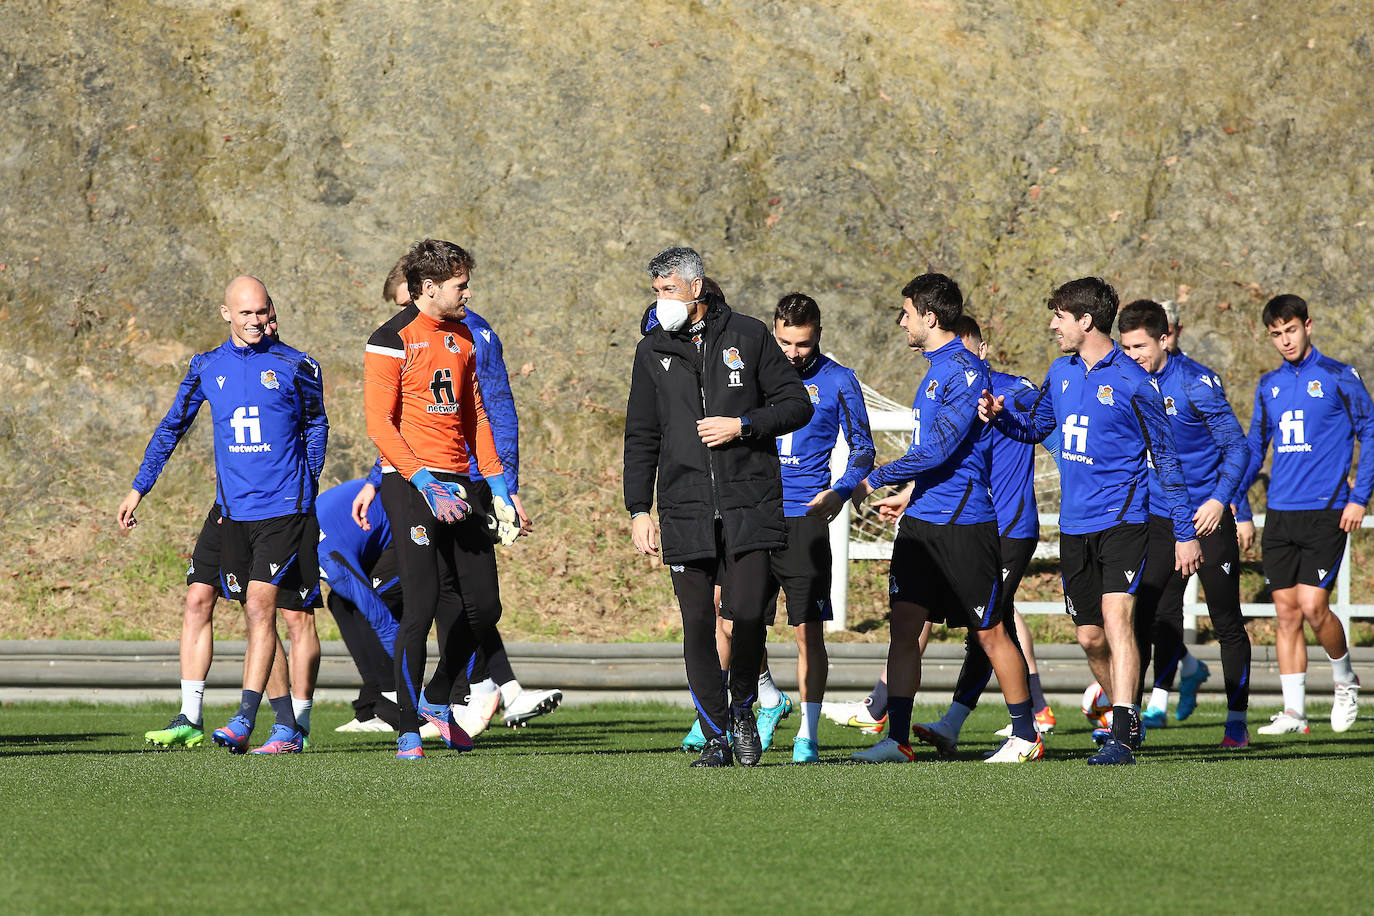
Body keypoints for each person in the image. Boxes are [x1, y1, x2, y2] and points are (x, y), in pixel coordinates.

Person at [982, 277, 1200, 765]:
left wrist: (1184, 533)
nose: (1052, 325)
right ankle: (1125, 715)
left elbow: (1167, 460)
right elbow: (1037, 428)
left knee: (1118, 618)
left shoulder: (1134, 381)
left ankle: (1121, 733)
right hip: (1075, 525)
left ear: (1085, 321)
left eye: (1059, 316)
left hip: (1124, 520)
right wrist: (999, 417)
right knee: (1089, 636)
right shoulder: (1060, 372)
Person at [118, 276, 328, 755]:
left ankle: (247, 718)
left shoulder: (296, 364)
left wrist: (308, 481)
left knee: (266, 608)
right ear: (226, 314)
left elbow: (317, 422)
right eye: (245, 312)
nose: (255, 320)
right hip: (233, 511)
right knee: (250, 613)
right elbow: (172, 426)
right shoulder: (207, 366)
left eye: (262, 311)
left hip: (285, 508)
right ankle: (277, 725)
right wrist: (139, 488)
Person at [624, 246, 812, 767]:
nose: (660, 299)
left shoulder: (749, 335)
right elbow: (640, 435)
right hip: (684, 508)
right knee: (697, 624)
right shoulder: (651, 351)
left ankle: (744, 708)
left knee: (747, 614)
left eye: (668, 289)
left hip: (749, 503)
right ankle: (715, 737)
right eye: (656, 291)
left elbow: (796, 405)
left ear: (696, 287)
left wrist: (743, 425)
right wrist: (639, 509)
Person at [848, 273, 1043, 765]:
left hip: (963, 523)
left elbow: (937, 451)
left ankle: (1026, 735)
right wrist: (907, 495)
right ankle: (897, 739)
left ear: (930, 317)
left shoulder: (965, 371)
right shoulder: (936, 368)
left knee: (989, 631)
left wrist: (875, 479)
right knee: (904, 626)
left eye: (906, 313)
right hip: (921, 521)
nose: (901, 321)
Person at [365, 264, 559, 733]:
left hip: (462, 483)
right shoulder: (389, 339)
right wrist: (421, 482)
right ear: (430, 289)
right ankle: (408, 728)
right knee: (422, 604)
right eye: (461, 286)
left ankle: (436, 696)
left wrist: (501, 489)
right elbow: (380, 425)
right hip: (411, 484)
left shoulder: (467, 336)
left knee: (486, 606)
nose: (468, 292)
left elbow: (480, 417)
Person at [906, 315, 1061, 756]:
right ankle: (1014, 717)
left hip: (1010, 527)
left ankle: (1023, 723)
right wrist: (906, 493)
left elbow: (1049, 424)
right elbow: (943, 458)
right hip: (973, 526)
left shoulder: (1013, 389)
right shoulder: (952, 394)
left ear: (982, 349)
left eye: (967, 350)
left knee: (988, 626)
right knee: (991, 623)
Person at [1118, 300, 1254, 748]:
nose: (1132, 355)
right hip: (1158, 517)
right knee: (1143, 615)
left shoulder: (1196, 383)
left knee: (1226, 620)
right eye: (1125, 347)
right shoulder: (1123, 383)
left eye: (1140, 346)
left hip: (1206, 518)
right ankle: (1128, 722)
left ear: (1165, 339)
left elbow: (1238, 449)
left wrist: (1220, 500)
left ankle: (1236, 722)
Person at [1238, 294, 1371, 735]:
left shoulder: (1338, 375)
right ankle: (1294, 713)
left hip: (1326, 511)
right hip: (1280, 513)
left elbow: (1370, 431)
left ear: (1307, 325)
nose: (1285, 340)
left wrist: (1360, 497)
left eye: (1290, 330)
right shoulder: (1268, 385)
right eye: (1276, 334)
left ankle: (1345, 680)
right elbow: (1255, 447)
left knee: (1314, 606)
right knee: (1287, 612)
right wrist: (1235, 497)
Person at [765, 292, 875, 762]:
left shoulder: (839, 380)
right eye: (785, 342)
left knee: (807, 631)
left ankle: (807, 733)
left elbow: (864, 449)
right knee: (732, 621)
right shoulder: (755, 372)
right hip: (754, 513)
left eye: (803, 344)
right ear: (773, 333)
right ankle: (765, 699)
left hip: (805, 519)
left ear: (819, 336)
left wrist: (841, 490)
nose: (792, 353)